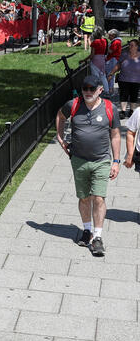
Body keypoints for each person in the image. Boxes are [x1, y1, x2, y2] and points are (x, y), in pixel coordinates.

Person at [55, 75, 120, 257]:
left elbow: (115, 135)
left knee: (98, 197)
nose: (88, 92)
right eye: (85, 89)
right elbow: (60, 116)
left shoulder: (109, 108)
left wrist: (116, 161)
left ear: (100, 89)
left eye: (92, 89)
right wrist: (61, 139)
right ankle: (86, 230)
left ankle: (97, 237)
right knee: (84, 198)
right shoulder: (73, 105)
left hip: (101, 161)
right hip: (79, 160)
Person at [113, 39, 140, 119]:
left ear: (136, 46)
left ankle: (131, 111)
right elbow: (118, 65)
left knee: (133, 95)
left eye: (132, 45)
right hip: (124, 79)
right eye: (129, 45)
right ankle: (123, 111)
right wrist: (111, 73)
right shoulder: (124, 54)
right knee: (123, 95)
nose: (130, 47)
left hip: (136, 80)